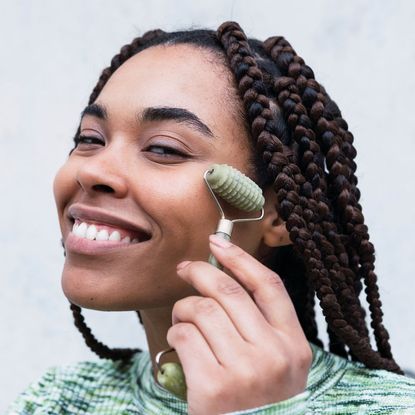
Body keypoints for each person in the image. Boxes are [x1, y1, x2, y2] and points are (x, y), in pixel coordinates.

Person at [6, 21, 415, 415]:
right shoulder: (55, 401)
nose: (91, 171)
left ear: (277, 215)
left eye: (164, 149)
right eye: (90, 139)